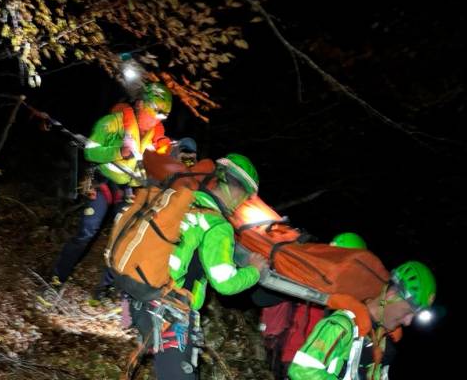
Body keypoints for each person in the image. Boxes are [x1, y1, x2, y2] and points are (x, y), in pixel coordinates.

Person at [125, 153, 268, 380]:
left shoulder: (180, 199)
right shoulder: (217, 225)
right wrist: (254, 270)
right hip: (169, 312)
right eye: (245, 196)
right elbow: (226, 283)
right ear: (238, 191)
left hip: (137, 295)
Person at [48, 82, 173, 297]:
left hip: (131, 190)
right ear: (141, 104)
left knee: (123, 242)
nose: (154, 120)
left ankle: (105, 290)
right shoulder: (114, 122)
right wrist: (118, 151)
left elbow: (161, 164)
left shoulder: (157, 136)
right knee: (87, 232)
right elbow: (90, 151)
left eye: (160, 117)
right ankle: (56, 280)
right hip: (104, 181)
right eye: (153, 113)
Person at [288, 261, 436, 380]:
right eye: (407, 312)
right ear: (391, 295)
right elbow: (301, 370)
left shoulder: (382, 343)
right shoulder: (342, 325)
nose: (407, 322)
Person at [260, 232, 368, 379]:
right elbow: (261, 298)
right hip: (279, 357)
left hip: (305, 365)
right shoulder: (306, 277)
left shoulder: (351, 300)